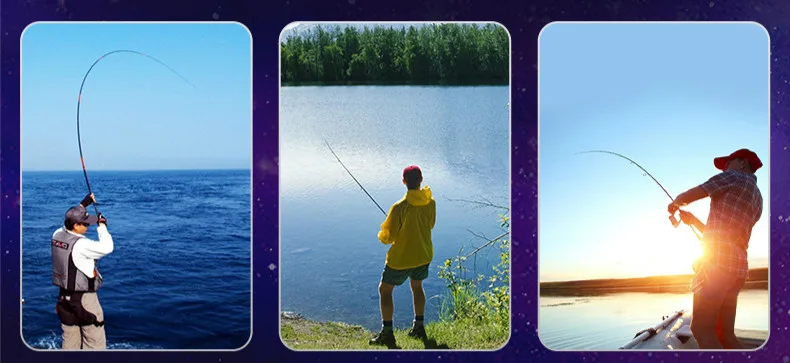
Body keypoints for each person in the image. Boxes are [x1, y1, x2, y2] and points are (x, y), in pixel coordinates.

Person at [667, 148, 763, 349]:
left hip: (717, 266)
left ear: (742, 163)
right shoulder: (758, 198)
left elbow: (691, 194)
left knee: (701, 330)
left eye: (728, 163)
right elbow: (725, 235)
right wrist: (693, 221)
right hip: (737, 269)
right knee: (726, 335)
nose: (725, 168)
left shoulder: (732, 177)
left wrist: (676, 203)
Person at [369, 165, 437, 347]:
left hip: (401, 259)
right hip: (423, 255)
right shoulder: (431, 203)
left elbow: (388, 237)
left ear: (404, 181)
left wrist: (381, 234)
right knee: (417, 287)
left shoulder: (399, 207)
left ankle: (387, 333)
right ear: (421, 180)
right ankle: (419, 327)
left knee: (385, 290)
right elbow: (430, 225)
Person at [51, 193, 114, 350]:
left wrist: (83, 205)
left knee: (69, 343)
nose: (88, 226)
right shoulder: (81, 245)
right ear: (75, 226)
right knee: (94, 344)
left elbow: (67, 220)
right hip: (85, 301)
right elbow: (108, 247)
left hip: (64, 300)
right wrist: (102, 227)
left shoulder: (57, 235)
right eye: (85, 224)